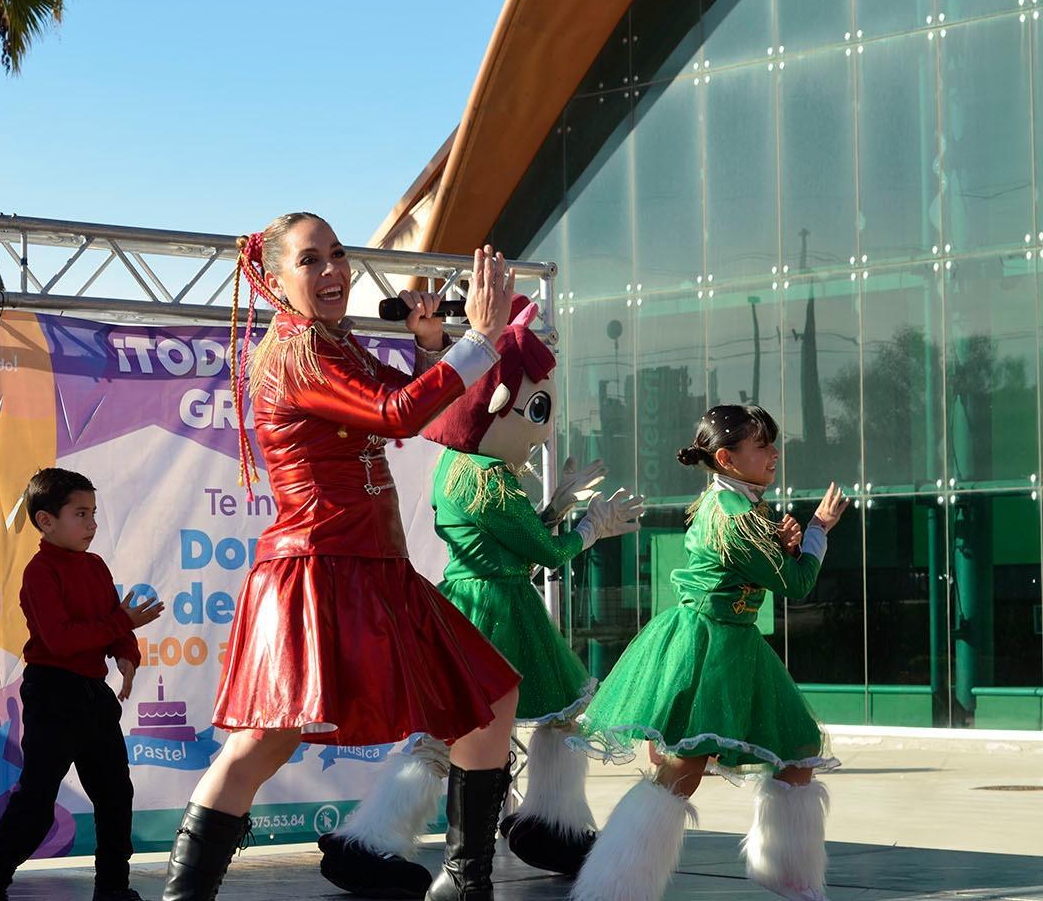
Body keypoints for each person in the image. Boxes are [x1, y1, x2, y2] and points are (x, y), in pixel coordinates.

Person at [159, 213, 522, 901]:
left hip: (374, 568)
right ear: (273, 279)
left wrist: (430, 345)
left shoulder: (336, 345)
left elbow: (416, 407)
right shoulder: (298, 356)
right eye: (310, 260)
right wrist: (477, 338)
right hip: (319, 568)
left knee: (491, 697)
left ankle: (468, 883)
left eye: (337, 254)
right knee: (264, 742)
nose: (331, 271)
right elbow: (396, 415)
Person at [317, 296, 644, 897]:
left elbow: (512, 538)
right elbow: (545, 556)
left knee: (456, 731)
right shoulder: (490, 478)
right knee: (530, 722)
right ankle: (538, 829)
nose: (542, 430)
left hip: (471, 600)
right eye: (536, 409)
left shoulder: (458, 467)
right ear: (494, 403)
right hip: (499, 610)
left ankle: (382, 837)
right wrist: (589, 526)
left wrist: (556, 507)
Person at [568, 405, 849, 901]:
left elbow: (755, 567)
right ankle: (614, 887)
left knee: (797, 747)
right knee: (684, 768)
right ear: (726, 456)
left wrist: (783, 542)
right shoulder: (735, 515)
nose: (773, 454)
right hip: (710, 646)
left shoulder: (732, 504)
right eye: (761, 445)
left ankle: (787, 874)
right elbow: (797, 584)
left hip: (733, 642)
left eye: (770, 443)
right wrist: (818, 531)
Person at [0, 468, 165, 901]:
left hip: (93, 696)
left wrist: (126, 655)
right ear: (45, 520)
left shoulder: (95, 565)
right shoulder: (39, 572)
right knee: (37, 802)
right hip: (53, 693)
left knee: (115, 795)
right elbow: (61, 640)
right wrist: (122, 623)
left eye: (94, 513)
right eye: (80, 514)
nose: (92, 524)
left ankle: (113, 887)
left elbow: (111, 621)